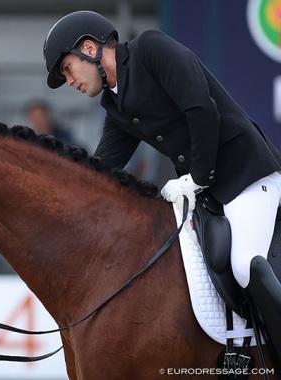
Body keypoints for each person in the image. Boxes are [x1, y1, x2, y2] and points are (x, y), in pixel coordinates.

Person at [44, 10, 281, 366]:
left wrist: (197, 176)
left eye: (66, 69)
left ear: (89, 48)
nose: (69, 81)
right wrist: (58, 195)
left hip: (248, 175)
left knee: (246, 264)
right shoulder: (115, 102)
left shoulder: (152, 49)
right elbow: (101, 167)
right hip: (210, 191)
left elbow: (201, 109)